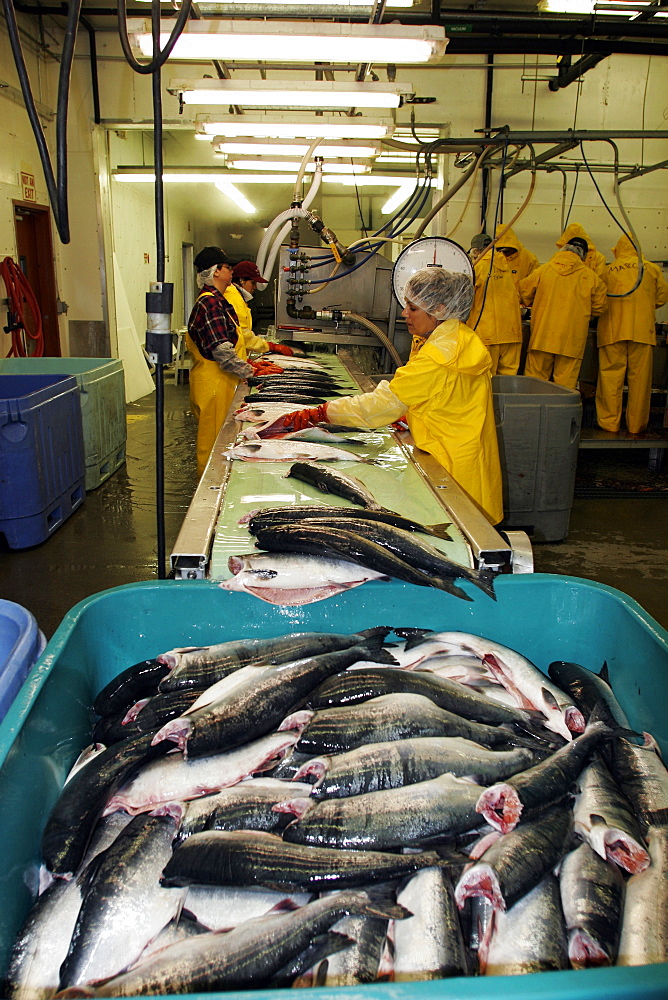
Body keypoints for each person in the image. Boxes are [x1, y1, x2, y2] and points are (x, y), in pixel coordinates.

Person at [259, 267, 503, 525]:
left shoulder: (439, 356)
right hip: (469, 461)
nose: (404, 313)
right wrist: (411, 416)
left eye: (413, 308)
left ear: (440, 309)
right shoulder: (460, 340)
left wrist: (320, 412)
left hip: (451, 471)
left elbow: (382, 405)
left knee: (459, 541)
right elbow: (450, 398)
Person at [187, 246, 254, 477]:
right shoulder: (210, 304)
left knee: (219, 442)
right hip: (214, 386)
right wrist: (252, 372)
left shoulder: (218, 301)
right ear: (215, 271)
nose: (232, 271)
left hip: (219, 383)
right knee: (213, 447)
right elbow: (222, 352)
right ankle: (208, 496)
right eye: (228, 267)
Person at [596, 234, 668, 434]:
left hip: (612, 331)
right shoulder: (651, 269)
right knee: (640, 381)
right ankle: (636, 426)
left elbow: (598, 299)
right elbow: (662, 297)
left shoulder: (606, 270)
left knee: (610, 379)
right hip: (642, 331)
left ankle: (609, 424)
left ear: (618, 249)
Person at [518, 237, 608, 390]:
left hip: (542, 338)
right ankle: (559, 414)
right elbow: (600, 307)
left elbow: (524, 292)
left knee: (534, 386)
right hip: (572, 342)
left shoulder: (544, 270)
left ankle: (533, 414)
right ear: (584, 255)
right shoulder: (591, 278)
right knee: (564, 390)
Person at [467, 235, 523, 376]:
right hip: (512, 334)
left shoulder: (477, 267)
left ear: (475, 251)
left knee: (484, 379)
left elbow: (464, 298)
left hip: (486, 333)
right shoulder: (507, 266)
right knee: (508, 382)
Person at [225, 261, 294, 358]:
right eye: (253, 283)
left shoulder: (238, 297)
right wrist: (269, 346)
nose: (255, 287)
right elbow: (242, 335)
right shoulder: (233, 298)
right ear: (241, 280)